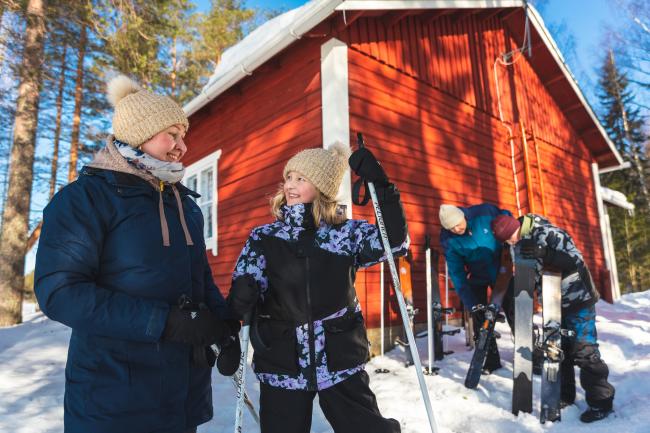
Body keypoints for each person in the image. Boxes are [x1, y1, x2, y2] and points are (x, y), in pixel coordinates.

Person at [34, 75, 240, 433]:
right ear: (139, 134)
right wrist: (164, 321)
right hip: (112, 399)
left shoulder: (185, 206)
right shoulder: (85, 199)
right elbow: (60, 292)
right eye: (171, 135)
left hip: (181, 398)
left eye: (183, 136)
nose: (182, 147)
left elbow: (200, 279)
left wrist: (223, 327)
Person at [227, 143, 408, 433]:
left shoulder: (346, 234)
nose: (290, 185)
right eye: (289, 177)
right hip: (282, 361)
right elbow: (241, 291)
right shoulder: (264, 237)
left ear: (322, 187)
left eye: (301, 179)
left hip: (339, 358)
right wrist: (241, 297)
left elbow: (394, 243)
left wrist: (382, 188)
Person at [491, 213, 616, 423]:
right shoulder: (516, 245)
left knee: (584, 350)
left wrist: (545, 253)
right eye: (505, 241)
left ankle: (601, 402)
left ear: (517, 226)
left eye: (510, 236)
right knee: (559, 350)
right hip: (553, 303)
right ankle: (565, 396)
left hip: (579, 299)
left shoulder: (549, 234)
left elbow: (575, 261)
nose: (510, 241)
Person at [438, 203, 513, 374]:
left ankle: (527, 353)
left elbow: (507, 218)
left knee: (514, 310)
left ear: (463, 216)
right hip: (477, 276)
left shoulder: (484, 213)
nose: (457, 229)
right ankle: (491, 359)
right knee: (481, 318)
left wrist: (510, 245)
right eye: (451, 228)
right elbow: (457, 275)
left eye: (458, 223)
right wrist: (471, 303)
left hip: (502, 270)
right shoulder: (449, 241)